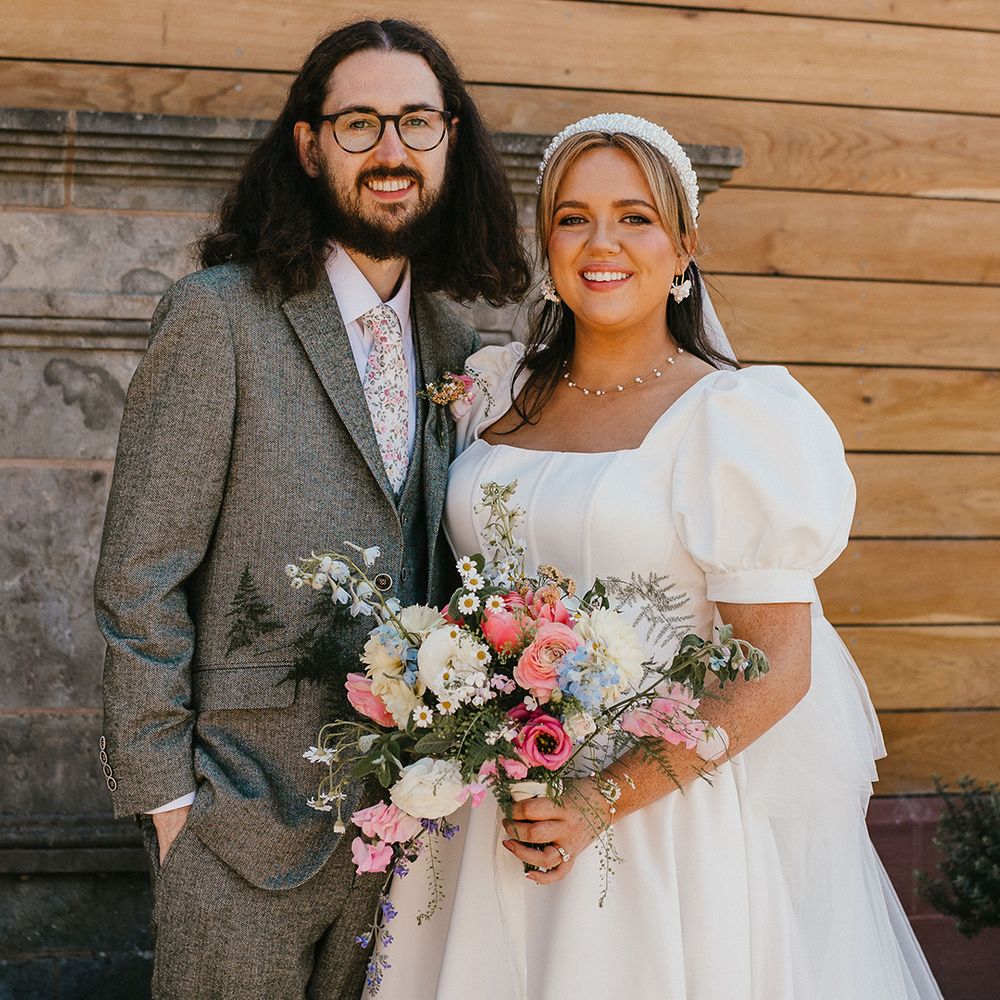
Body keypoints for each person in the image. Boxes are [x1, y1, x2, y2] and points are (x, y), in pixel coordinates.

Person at [372, 115, 943, 999]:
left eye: (635, 217)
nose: (602, 242)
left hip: (655, 826)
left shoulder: (736, 421)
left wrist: (600, 801)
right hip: (484, 809)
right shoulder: (489, 392)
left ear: (684, 247)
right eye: (573, 217)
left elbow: (778, 666)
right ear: (549, 241)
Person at [94, 19, 531, 999]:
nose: (391, 150)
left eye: (418, 122)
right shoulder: (218, 317)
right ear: (308, 143)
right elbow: (139, 575)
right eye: (360, 122)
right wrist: (169, 803)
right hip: (237, 828)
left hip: (412, 846)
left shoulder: (464, 351)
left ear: (450, 142)